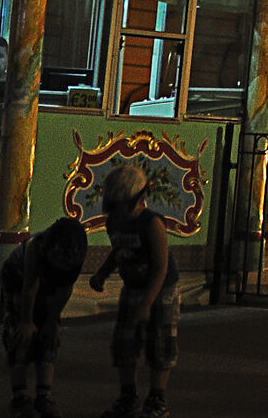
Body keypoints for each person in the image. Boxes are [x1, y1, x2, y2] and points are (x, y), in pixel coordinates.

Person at [90, 163, 177, 418]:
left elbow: (161, 268)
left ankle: (157, 399)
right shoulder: (115, 222)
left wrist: (146, 304)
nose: (118, 213)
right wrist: (103, 273)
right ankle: (128, 397)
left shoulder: (152, 224)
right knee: (124, 342)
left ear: (140, 199)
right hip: (133, 287)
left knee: (160, 344)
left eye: (123, 206)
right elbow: (118, 250)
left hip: (161, 290)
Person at [0, 215, 88, 417]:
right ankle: (20, 397)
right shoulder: (35, 247)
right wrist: (25, 321)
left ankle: (43, 396)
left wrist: (52, 321)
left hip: (49, 287)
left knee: (48, 340)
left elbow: (65, 289)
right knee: (20, 338)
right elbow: (29, 288)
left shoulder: (75, 254)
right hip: (18, 280)